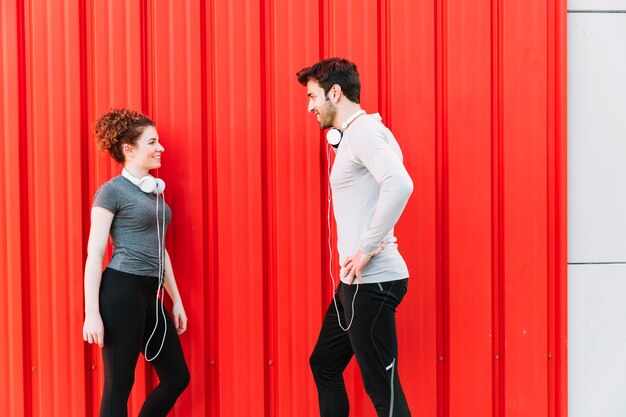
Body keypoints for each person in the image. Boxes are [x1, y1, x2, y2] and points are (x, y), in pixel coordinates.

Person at [296, 58, 413, 417]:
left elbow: (400, 184)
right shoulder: (358, 135)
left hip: (373, 282)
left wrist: (364, 249)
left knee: (383, 393)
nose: (310, 106)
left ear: (336, 92)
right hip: (355, 283)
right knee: (325, 363)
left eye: (313, 96)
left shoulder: (363, 132)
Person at [82, 109, 190, 417]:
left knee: (177, 378)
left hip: (150, 294)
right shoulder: (111, 191)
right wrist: (92, 313)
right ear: (130, 150)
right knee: (119, 386)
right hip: (121, 291)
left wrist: (176, 300)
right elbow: (94, 253)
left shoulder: (155, 194)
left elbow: (161, 249)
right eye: (152, 142)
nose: (161, 148)